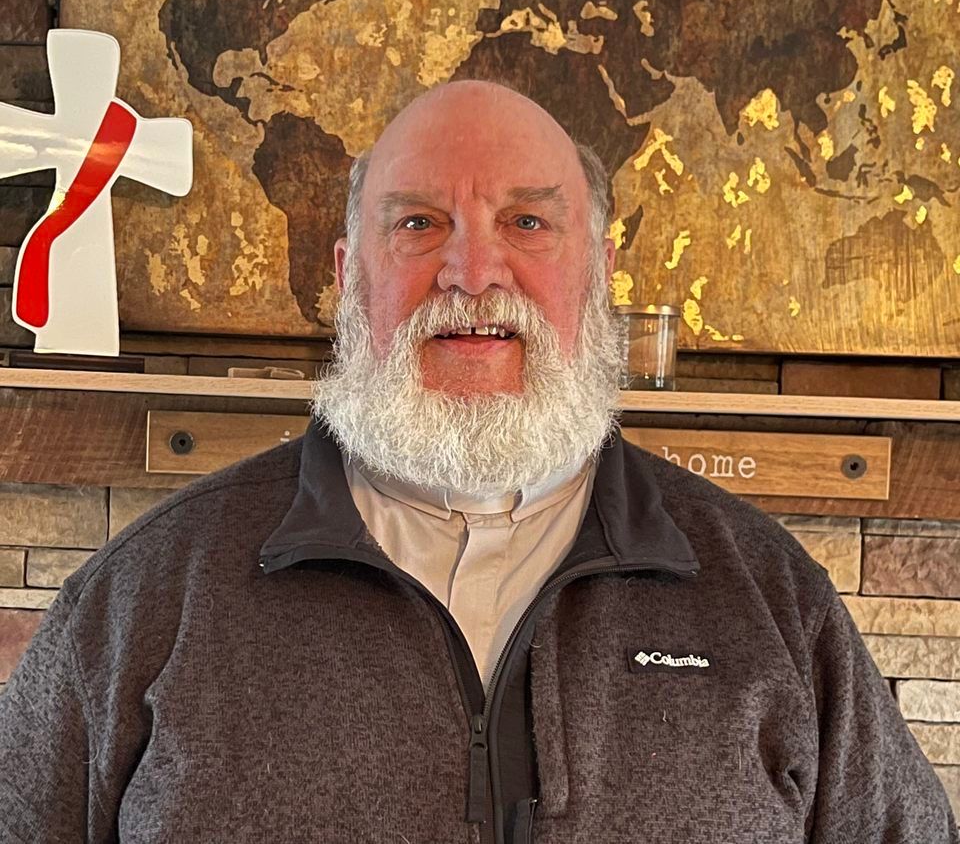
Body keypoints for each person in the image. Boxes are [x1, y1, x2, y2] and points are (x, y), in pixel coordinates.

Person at [0, 80, 955, 844]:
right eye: (418, 224)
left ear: (599, 273)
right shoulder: (141, 597)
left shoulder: (772, 599)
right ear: (347, 277)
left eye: (527, 223)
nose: (472, 272)